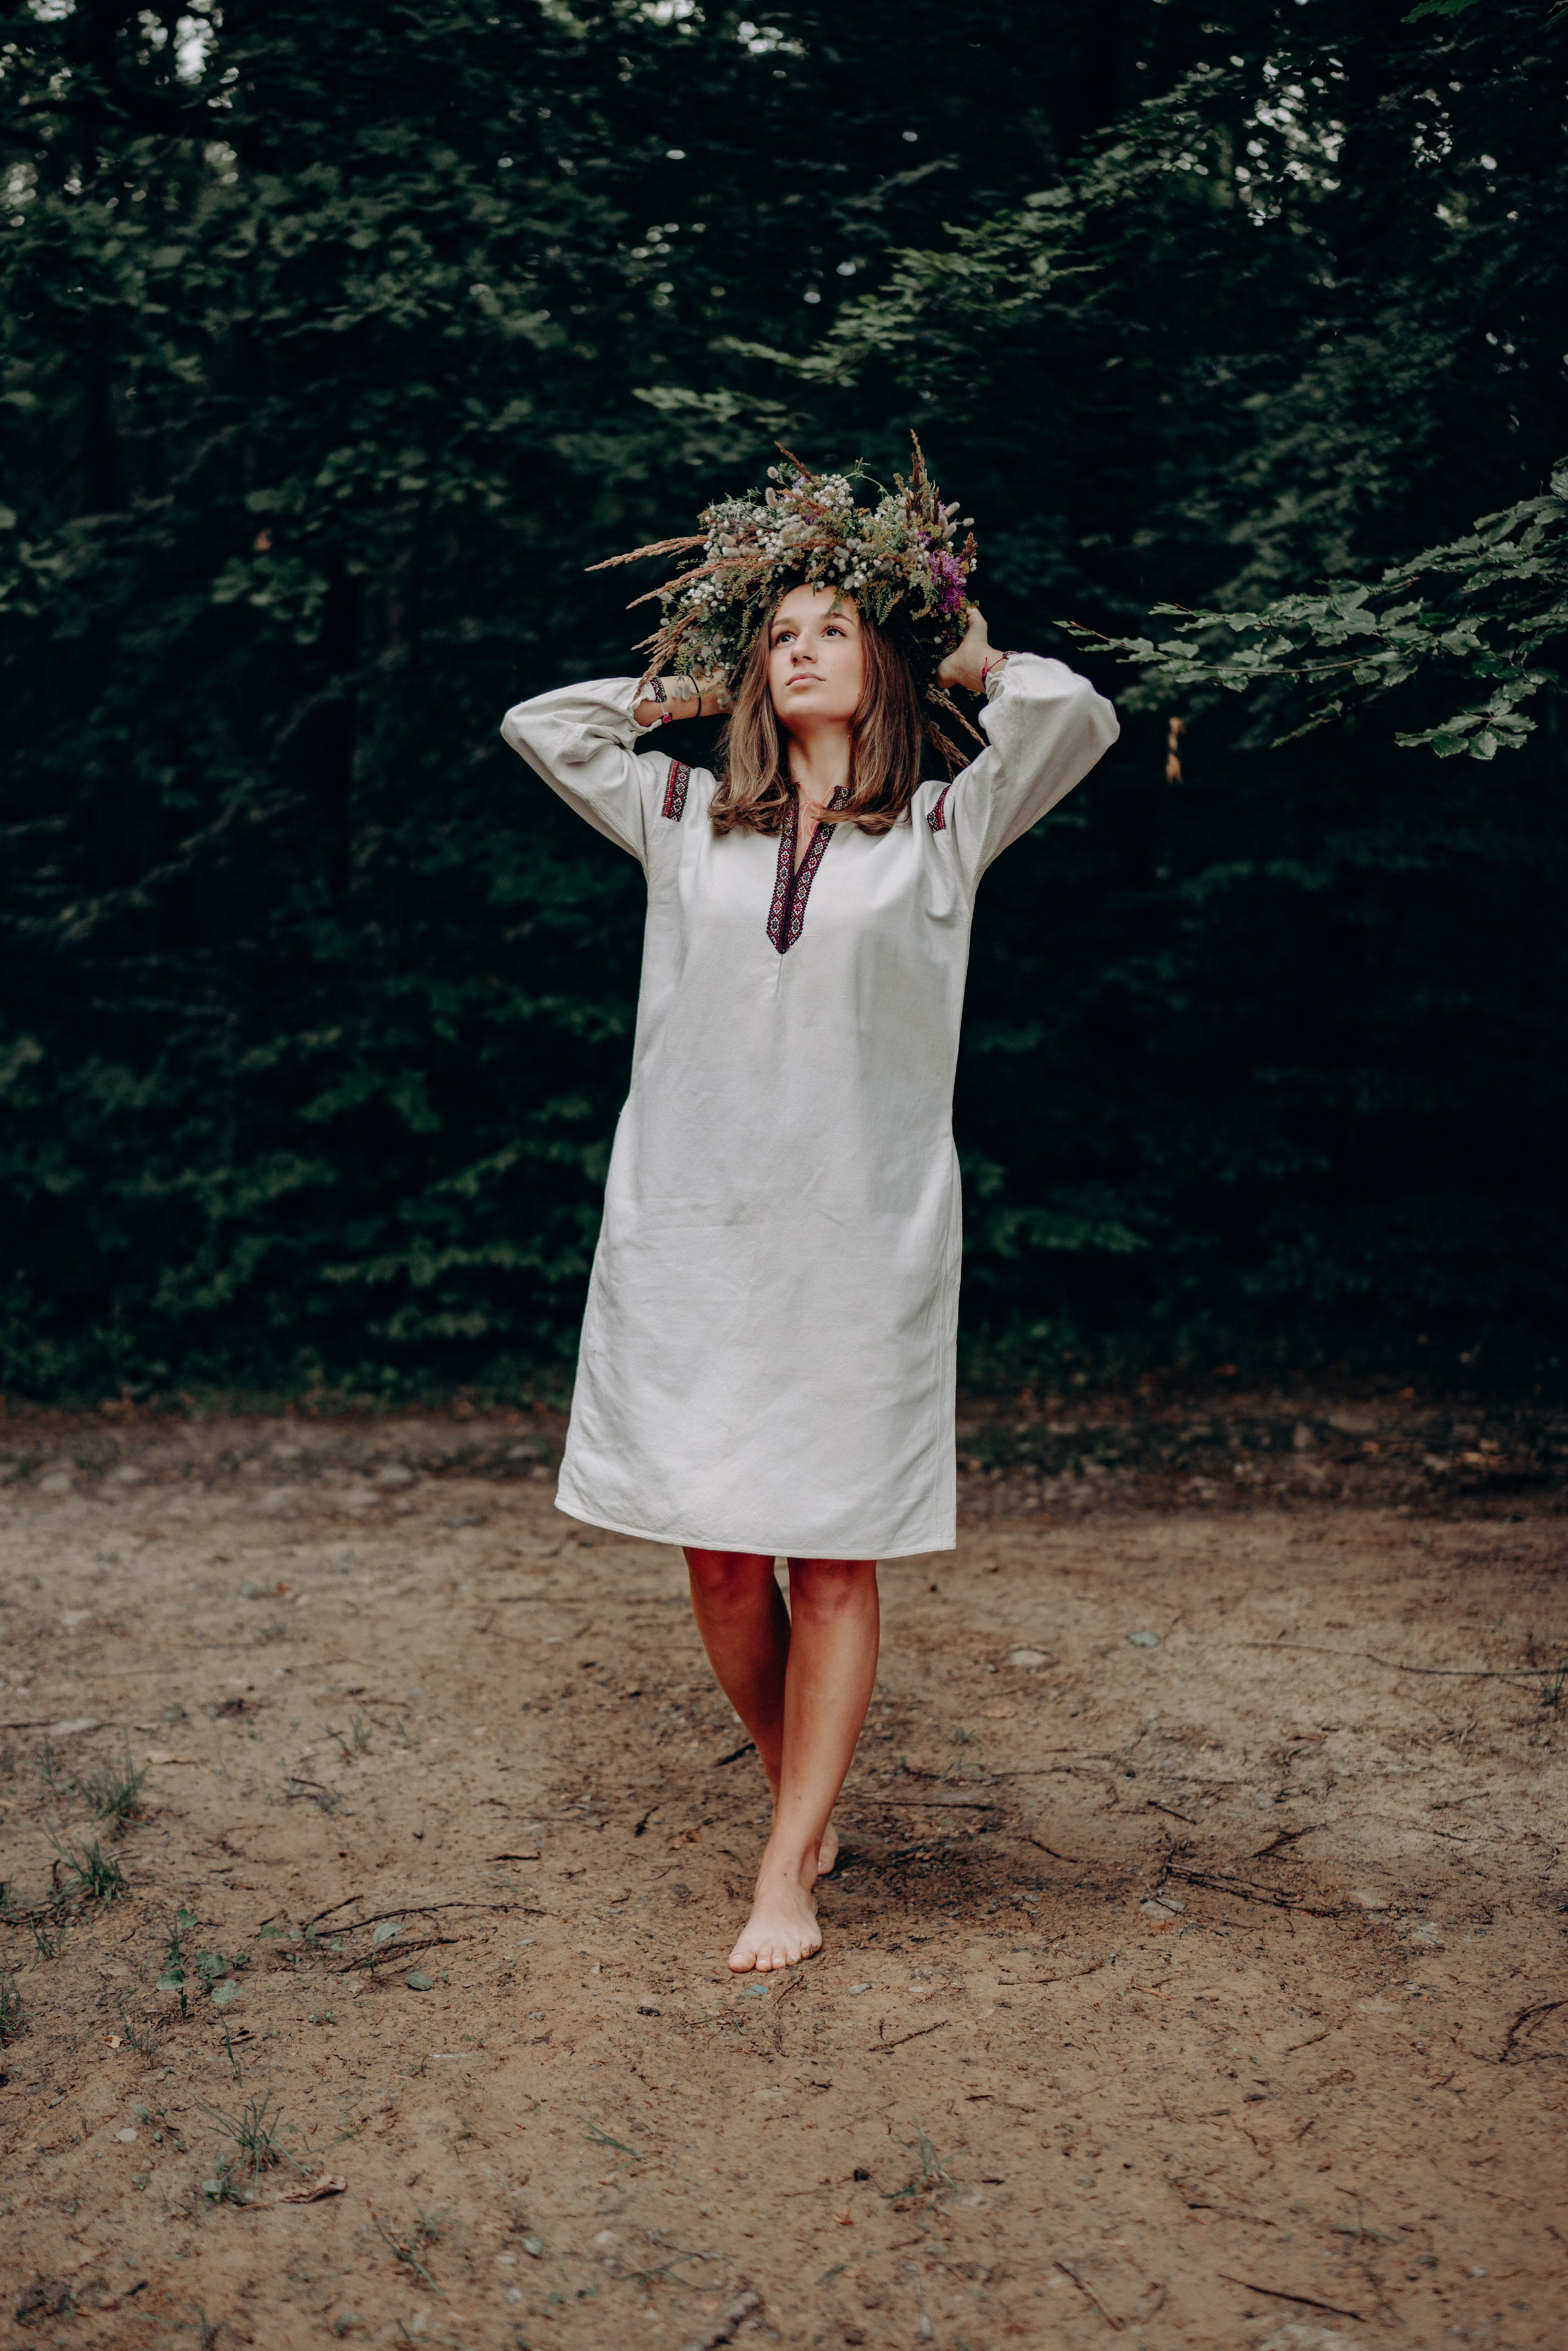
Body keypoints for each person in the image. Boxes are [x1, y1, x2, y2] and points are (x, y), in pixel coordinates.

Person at [501, 450, 1118, 1972]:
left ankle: (789, 1861)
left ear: (885, 661)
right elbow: (541, 723)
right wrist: (681, 687)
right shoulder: (682, 817)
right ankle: (806, 1789)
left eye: (831, 627)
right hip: (693, 1230)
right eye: (776, 633)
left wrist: (969, 649)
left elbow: (1073, 717)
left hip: (860, 1237)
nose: (797, 649)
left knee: (831, 1550)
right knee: (718, 1554)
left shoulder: (938, 836)